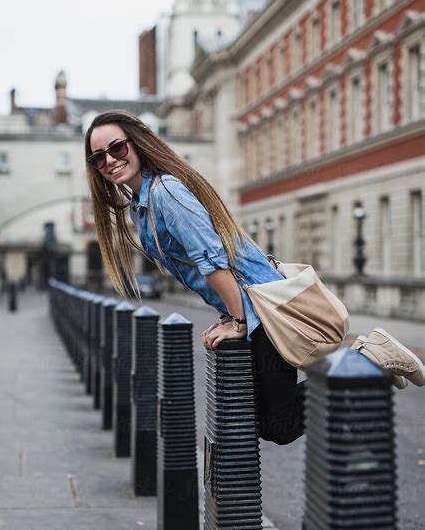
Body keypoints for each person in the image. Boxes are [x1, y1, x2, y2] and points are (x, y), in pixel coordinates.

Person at [85, 110, 424, 445]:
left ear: (138, 144)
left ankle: (366, 359)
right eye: (99, 158)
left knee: (279, 424)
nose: (110, 161)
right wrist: (227, 315)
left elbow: (211, 258)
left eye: (117, 148)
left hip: (262, 310)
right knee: (267, 420)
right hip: (256, 308)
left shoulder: (164, 192)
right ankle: (364, 365)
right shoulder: (142, 204)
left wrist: (237, 319)